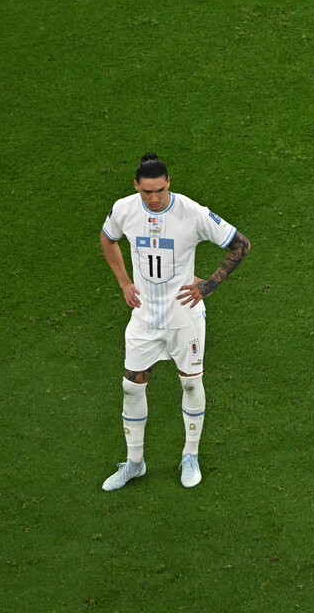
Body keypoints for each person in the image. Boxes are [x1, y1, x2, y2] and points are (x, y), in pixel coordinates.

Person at [99, 152, 251, 490]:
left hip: (184, 316)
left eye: (160, 191)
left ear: (169, 184)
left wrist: (208, 285)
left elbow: (241, 245)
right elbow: (107, 238)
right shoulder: (124, 209)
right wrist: (124, 282)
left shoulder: (192, 213)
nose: (154, 198)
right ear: (136, 186)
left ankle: (190, 456)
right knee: (131, 385)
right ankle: (135, 462)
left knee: (191, 383)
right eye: (147, 192)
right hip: (145, 316)